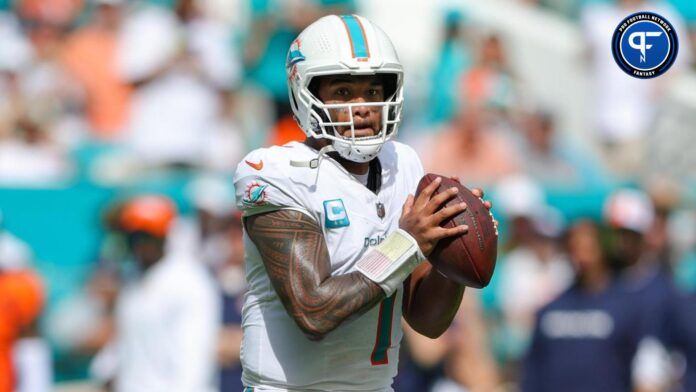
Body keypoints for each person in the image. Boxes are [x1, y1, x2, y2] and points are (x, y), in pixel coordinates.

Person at [233, 14, 494, 391]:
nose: (363, 106)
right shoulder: (275, 172)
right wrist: (408, 242)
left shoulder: (403, 163)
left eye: (373, 92)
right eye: (343, 92)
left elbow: (428, 324)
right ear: (306, 94)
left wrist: (454, 249)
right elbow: (314, 311)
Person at [94, 195, 220, 392]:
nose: (140, 245)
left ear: (164, 236)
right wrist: (106, 369)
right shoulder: (134, 277)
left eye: (148, 237)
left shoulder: (189, 281)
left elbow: (194, 358)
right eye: (134, 237)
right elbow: (126, 339)